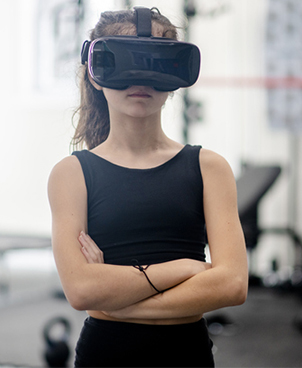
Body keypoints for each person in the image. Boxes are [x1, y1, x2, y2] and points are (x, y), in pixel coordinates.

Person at [47, 7, 248, 367]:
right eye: (124, 65)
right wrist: (188, 268)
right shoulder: (71, 174)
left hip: (186, 355)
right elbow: (81, 290)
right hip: (105, 355)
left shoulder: (209, 168)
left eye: (154, 65)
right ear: (95, 75)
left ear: (174, 76)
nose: (140, 80)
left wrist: (113, 301)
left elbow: (232, 283)